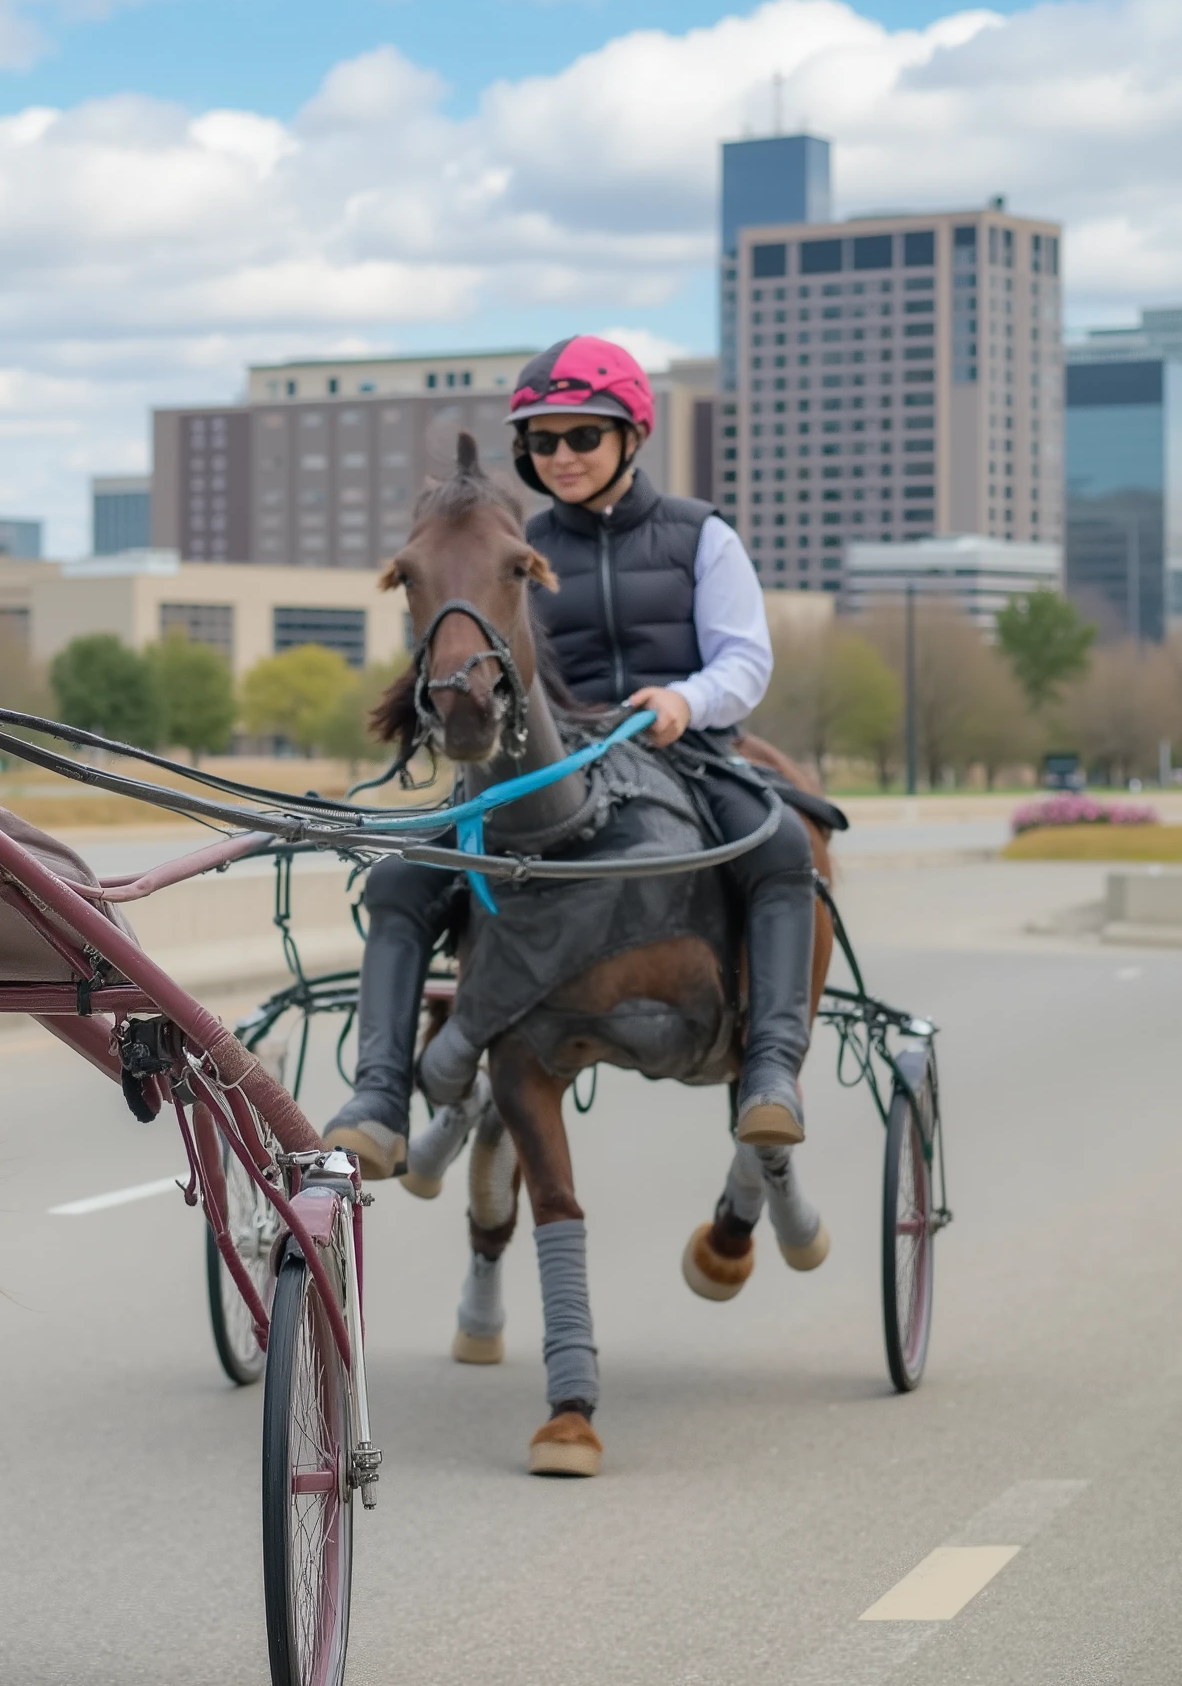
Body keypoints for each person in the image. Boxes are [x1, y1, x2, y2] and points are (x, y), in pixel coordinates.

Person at [323, 334, 818, 1173]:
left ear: (631, 436)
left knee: (783, 847)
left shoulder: (703, 536)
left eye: (583, 436)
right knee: (401, 878)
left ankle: (771, 1068)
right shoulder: (510, 549)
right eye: (542, 441)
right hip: (550, 762)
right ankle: (378, 1095)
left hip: (686, 750)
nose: (562, 456)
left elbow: (746, 661)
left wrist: (682, 699)